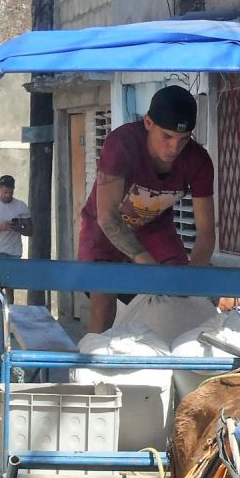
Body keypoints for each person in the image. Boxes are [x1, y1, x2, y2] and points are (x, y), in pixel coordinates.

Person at [78, 85, 227, 334]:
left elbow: (205, 233)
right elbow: (107, 217)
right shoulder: (121, 144)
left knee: (178, 298)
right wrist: (145, 262)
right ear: (148, 123)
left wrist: (193, 281)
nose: (173, 148)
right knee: (103, 297)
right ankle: (93, 363)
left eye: (183, 140)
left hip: (155, 230)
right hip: (104, 230)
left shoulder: (198, 161)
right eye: (166, 137)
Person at [0, 174, 33, 258]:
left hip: (15, 252)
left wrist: (19, 228)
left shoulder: (21, 206)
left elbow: (30, 231)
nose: (8, 195)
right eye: (5, 192)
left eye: (10, 192)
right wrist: (1, 227)